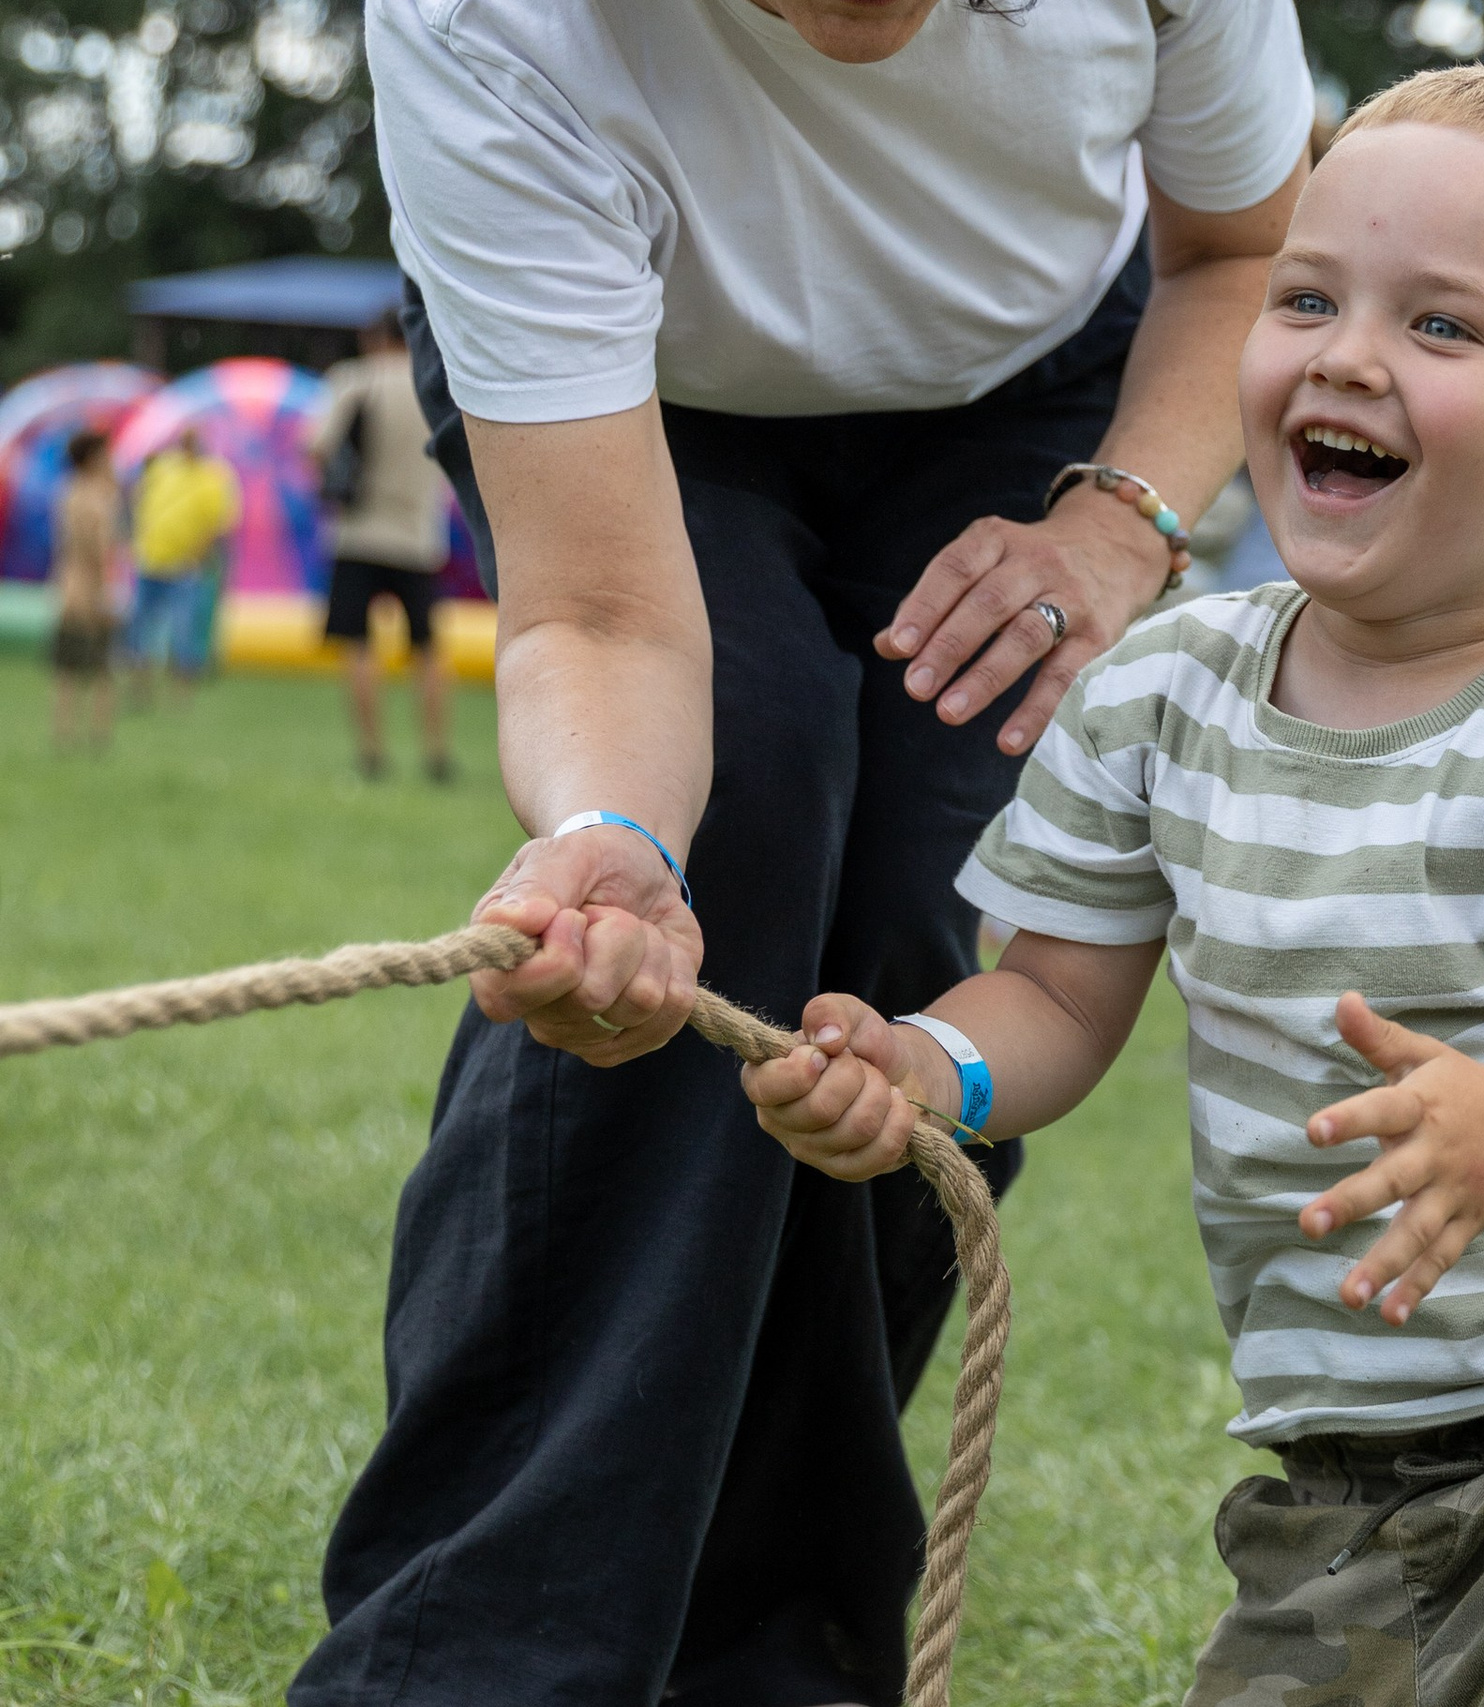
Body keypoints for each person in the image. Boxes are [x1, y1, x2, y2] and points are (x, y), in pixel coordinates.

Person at [743, 67, 1484, 1707]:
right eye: (1307, 297)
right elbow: (1057, 996)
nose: (1348, 354)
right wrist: (929, 1066)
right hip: (1347, 1464)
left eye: (1442, 325)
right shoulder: (1158, 697)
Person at [300, 0, 1313, 1700]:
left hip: (1030, 387)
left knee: (925, 939)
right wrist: (617, 835)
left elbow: (1245, 244)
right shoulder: (490, 21)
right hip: (640, 387)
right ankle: (478, 1659)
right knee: (727, 836)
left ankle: (775, 1655)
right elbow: (605, 616)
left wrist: (1119, 522)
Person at [313, 310, 458, 782]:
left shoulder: (355, 379)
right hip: (418, 535)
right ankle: (436, 753)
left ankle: (372, 753)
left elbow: (315, 445)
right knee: (428, 649)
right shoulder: (434, 386)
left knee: (358, 645)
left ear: (372, 336)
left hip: (358, 532)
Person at [125, 428, 239, 705]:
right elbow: (139, 493)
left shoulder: (212, 477)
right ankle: (141, 685)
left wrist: (199, 554)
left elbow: (218, 523)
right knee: (141, 627)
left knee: (183, 630)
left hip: (184, 566)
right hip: (151, 559)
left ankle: (181, 692)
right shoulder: (164, 468)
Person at [47, 428, 120, 752]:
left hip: (66, 587)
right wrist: (107, 591)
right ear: (92, 459)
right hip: (91, 590)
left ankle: (63, 732)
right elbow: (100, 549)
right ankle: (99, 734)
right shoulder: (99, 498)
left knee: (66, 669)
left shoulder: (67, 492)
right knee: (103, 668)